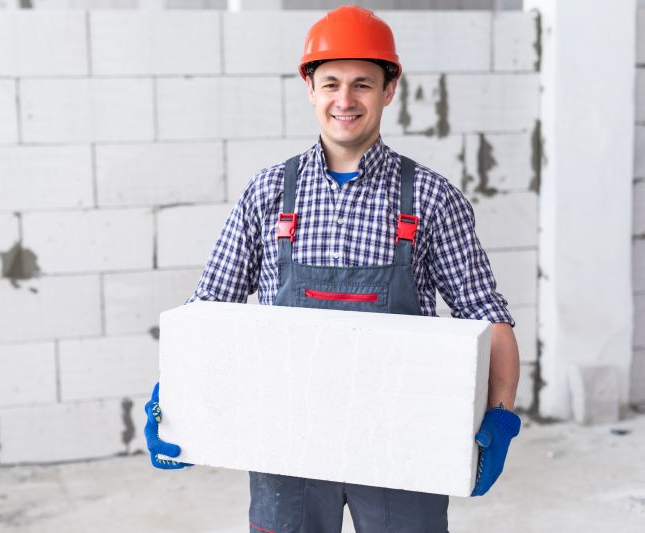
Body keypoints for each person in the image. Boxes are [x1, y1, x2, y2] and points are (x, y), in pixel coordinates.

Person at [144, 6, 521, 532]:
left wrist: (502, 415)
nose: (345, 100)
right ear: (310, 88)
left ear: (389, 90)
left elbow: (485, 313)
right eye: (331, 83)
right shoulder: (268, 192)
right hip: (287, 439)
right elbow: (209, 308)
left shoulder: (433, 198)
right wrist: (175, 398)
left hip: (402, 443)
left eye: (362, 84)